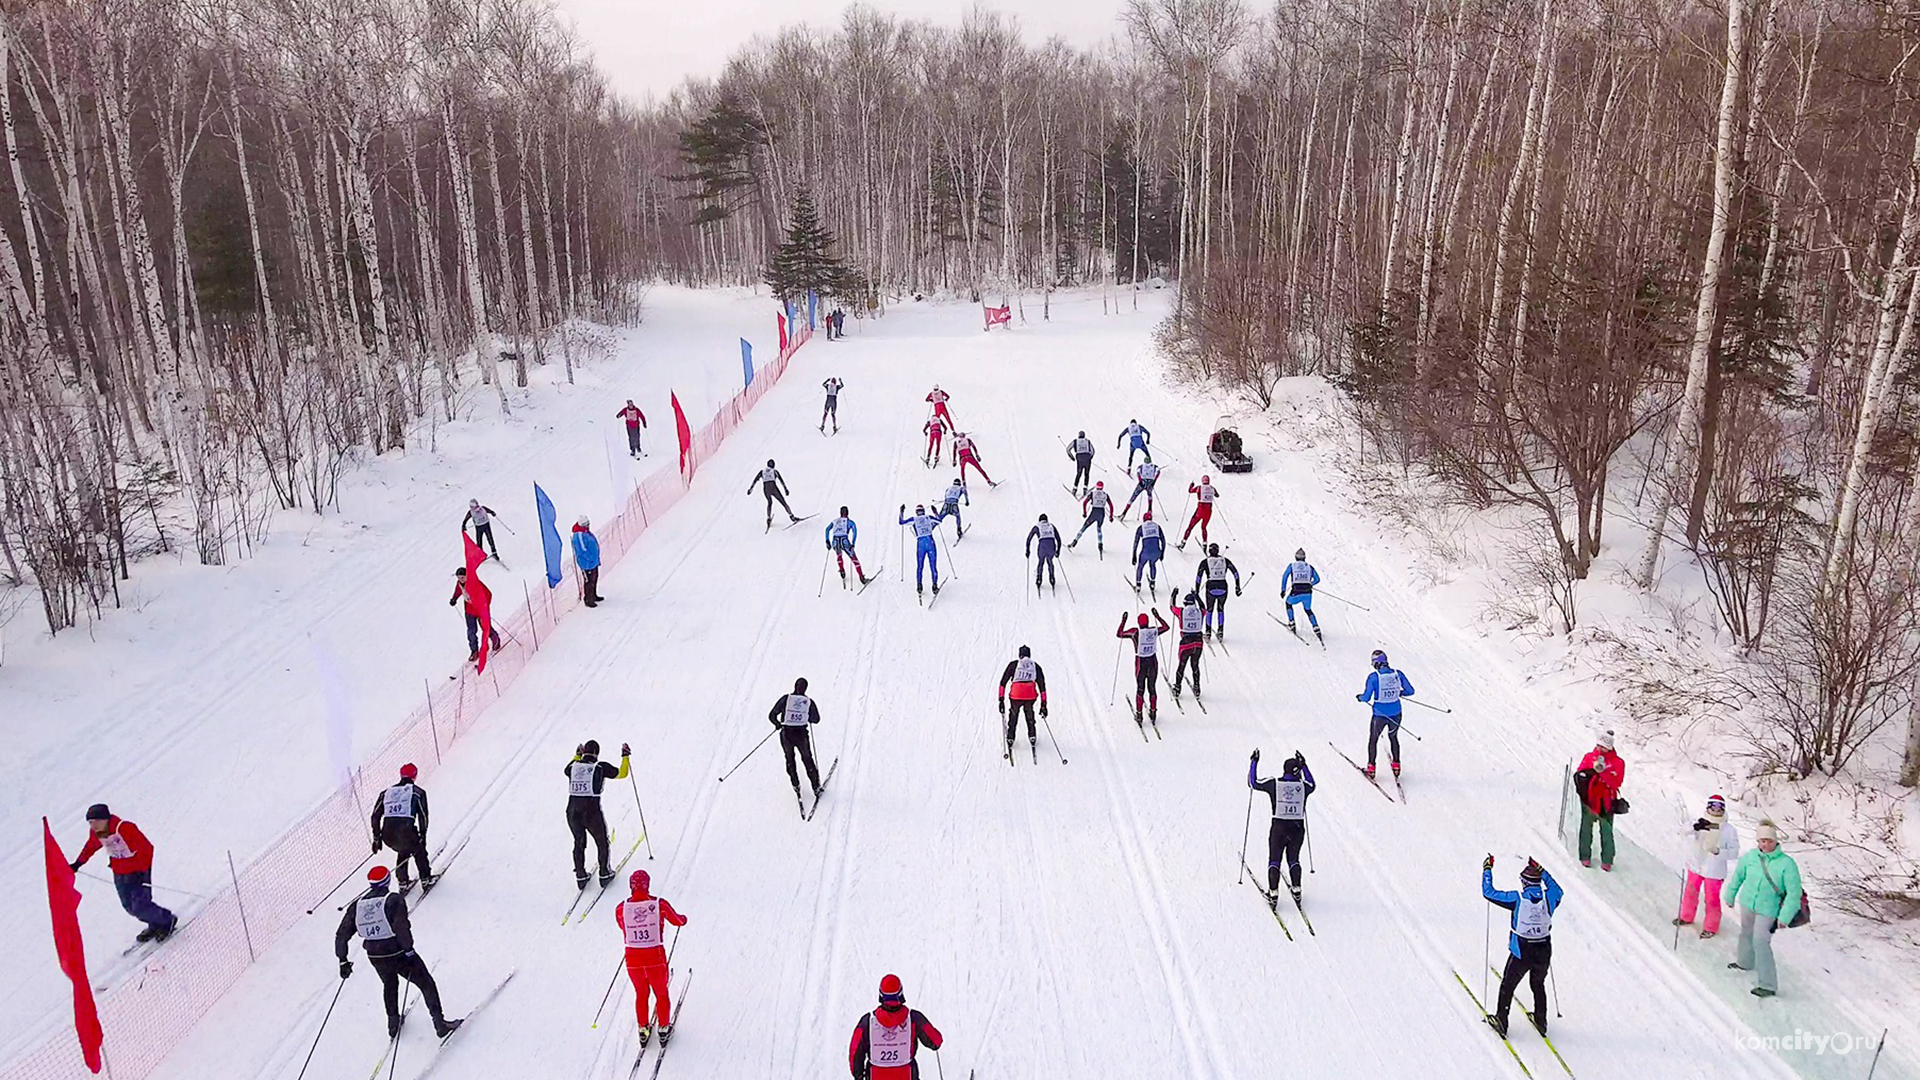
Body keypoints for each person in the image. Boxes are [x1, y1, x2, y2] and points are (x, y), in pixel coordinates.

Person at [335, 865, 461, 1039]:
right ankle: (440, 1023)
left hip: (375, 955)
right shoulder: (393, 899)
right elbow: (401, 927)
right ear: (387, 880)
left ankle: (393, 1023)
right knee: (426, 983)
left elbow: (342, 935)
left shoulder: (357, 905)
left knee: (389, 984)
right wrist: (408, 949)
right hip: (397, 952)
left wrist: (343, 960)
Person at [1481, 855, 1562, 1038]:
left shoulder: (1517, 899)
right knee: (1538, 984)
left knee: (1508, 986)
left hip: (1522, 951)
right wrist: (1542, 871)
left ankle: (1502, 1021)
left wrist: (1487, 870)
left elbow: (1489, 893)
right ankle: (1541, 1021)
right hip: (1544, 950)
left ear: (1524, 883)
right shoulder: (1549, 898)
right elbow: (1558, 890)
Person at [70, 804, 176, 942]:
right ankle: (155, 923)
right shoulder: (97, 833)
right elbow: (91, 846)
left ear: (105, 819)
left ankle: (167, 920)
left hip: (138, 872)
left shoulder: (124, 828)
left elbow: (147, 848)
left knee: (140, 905)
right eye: (90, 823)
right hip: (120, 872)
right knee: (129, 907)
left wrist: (141, 869)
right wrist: (78, 863)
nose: (93, 826)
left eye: (96, 821)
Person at [1724, 819, 1801, 998]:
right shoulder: (1750, 857)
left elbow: (1793, 893)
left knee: (1761, 941)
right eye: (1762, 841)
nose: (1765, 845)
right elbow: (1738, 877)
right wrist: (1730, 894)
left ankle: (1768, 984)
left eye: (1769, 841)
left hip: (1769, 910)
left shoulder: (1787, 864)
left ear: (1776, 841)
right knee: (1746, 933)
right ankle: (1744, 962)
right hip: (1748, 903)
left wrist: (1785, 917)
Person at [615, 869, 688, 1045]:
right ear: (647, 885)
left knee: (641, 993)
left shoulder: (621, 908)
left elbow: (621, 926)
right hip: (655, 957)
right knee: (661, 992)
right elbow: (677, 920)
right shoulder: (658, 904)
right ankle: (663, 1027)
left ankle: (643, 1028)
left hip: (633, 959)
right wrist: (683, 920)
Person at [1248, 750, 1314, 906]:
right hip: (1297, 828)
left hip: (1279, 828)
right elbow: (1313, 783)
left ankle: (1273, 893)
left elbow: (1253, 783)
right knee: (1293, 859)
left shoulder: (1274, 784)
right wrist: (1304, 765)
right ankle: (1297, 890)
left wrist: (1254, 762)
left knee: (1275, 859)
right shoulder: (1303, 786)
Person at [564, 740, 631, 889]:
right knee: (602, 842)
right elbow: (622, 773)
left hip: (572, 811)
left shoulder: (572, 767)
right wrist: (625, 756)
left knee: (578, 842)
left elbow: (566, 770)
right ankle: (604, 873)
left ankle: (580, 876)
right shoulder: (600, 767)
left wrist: (576, 756)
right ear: (596, 753)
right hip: (591, 812)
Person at [849, 974, 943, 1080]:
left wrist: (859, 1075)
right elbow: (936, 1041)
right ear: (901, 994)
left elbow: (855, 1053)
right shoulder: (913, 1018)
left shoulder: (867, 1021)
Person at [1675, 794, 1737, 939]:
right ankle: (1686, 916)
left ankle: (1711, 926)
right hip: (1696, 864)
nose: (1716, 810)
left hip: (1715, 871)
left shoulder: (1728, 830)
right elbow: (1683, 832)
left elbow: (1734, 852)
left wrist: (1718, 852)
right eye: (1713, 806)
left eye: (1719, 807)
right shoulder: (1700, 821)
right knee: (1690, 892)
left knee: (1712, 899)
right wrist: (1694, 827)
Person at [371, 764, 434, 892]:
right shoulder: (417, 792)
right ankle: (426, 878)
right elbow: (423, 815)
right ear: (415, 776)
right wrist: (423, 834)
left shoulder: (386, 793)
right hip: (406, 831)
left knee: (403, 849)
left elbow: (375, 816)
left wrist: (377, 838)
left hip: (388, 835)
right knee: (418, 850)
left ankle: (403, 881)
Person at [1355, 649, 1414, 779]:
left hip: (1379, 715)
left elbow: (1366, 697)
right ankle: (1396, 765)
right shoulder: (1397, 674)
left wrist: (1360, 697)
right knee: (1393, 737)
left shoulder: (1373, 677)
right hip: (1396, 713)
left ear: (1376, 663)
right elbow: (1410, 691)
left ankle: (1371, 768)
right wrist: (1399, 693)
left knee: (1373, 739)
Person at [1574, 730, 1625, 870]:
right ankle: (1584, 856)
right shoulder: (1589, 757)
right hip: (1589, 798)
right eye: (1598, 745)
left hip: (1607, 800)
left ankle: (1607, 859)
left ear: (1609, 747)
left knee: (1606, 830)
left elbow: (1617, 782)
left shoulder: (1618, 762)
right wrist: (1591, 774)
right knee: (1586, 828)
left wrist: (1604, 774)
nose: (1599, 749)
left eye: (1603, 746)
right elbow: (1580, 774)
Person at [767, 678, 824, 799]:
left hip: (786, 734)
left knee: (789, 759)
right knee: (807, 759)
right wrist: (807, 716)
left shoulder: (786, 699)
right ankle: (816, 787)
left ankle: (795, 784)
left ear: (794, 686)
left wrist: (777, 724)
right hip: (801, 735)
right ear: (805, 688)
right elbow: (816, 719)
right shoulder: (808, 702)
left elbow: (772, 715)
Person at [1116, 609, 1170, 725]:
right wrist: (1158, 616)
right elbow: (1166, 627)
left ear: (1139, 623)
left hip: (1141, 664)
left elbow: (1119, 634)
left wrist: (1123, 621)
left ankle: (1139, 715)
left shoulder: (1135, 632)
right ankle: (1153, 712)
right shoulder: (1153, 631)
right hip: (1152, 663)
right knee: (1152, 688)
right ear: (1148, 622)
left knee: (1140, 690)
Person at [996, 645, 1048, 760]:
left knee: (1013, 715)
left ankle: (1010, 737)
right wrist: (1044, 704)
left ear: (1019, 655)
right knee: (1029, 713)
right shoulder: (1035, 666)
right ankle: (1032, 735)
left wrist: (1001, 700)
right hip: (1030, 695)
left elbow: (1002, 683)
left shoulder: (1013, 665)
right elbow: (1042, 685)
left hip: (1016, 695)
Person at [449, 567, 502, 662]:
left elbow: (488, 594)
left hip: (480, 609)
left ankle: (495, 639)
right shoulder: (460, 584)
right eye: (459, 577)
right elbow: (458, 591)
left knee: (485, 627)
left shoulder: (475, 583)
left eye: (463, 577)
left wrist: (485, 605)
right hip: (469, 611)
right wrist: (454, 599)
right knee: (471, 631)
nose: (461, 579)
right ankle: (474, 651)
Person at [1194, 543, 1242, 639]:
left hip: (1211, 589)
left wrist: (1197, 591)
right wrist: (1237, 587)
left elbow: (1199, 577)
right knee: (1220, 609)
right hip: (1223, 588)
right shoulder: (1225, 560)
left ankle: (1208, 632)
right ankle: (1220, 631)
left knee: (1209, 610)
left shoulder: (1205, 561)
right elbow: (1235, 573)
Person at [1169, 589, 1206, 699]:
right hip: (1198, 643)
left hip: (1186, 643)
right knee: (1195, 665)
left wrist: (1173, 595)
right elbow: (1204, 606)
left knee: (1182, 665)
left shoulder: (1181, 611)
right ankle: (1197, 687)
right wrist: (1197, 596)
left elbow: (1171, 607)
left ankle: (1177, 688)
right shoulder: (1200, 612)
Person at [899, 504, 941, 597]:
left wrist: (901, 511)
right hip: (930, 543)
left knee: (920, 566)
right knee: (933, 566)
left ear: (916, 512)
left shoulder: (914, 519)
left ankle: (919, 586)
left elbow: (901, 522)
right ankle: (934, 585)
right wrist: (935, 511)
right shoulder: (928, 517)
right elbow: (939, 520)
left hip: (920, 544)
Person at [1280, 548, 1322, 641]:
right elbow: (1317, 579)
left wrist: (1283, 590)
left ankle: (1292, 623)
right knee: (1308, 610)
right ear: (1304, 558)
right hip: (1307, 593)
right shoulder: (1309, 567)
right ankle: (1316, 627)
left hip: (1296, 592)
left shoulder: (1292, 566)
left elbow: (1285, 576)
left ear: (1296, 557)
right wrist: (1310, 584)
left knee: (1288, 603)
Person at [749, 459, 800, 529]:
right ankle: (792, 516)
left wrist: (750, 489)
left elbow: (755, 480)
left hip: (766, 489)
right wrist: (786, 489)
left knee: (769, 503)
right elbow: (781, 480)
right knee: (783, 502)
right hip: (773, 488)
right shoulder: (774, 471)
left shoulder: (762, 472)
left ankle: (768, 518)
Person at [825, 508, 869, 586]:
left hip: (835, 541)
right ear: (848, 513)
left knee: (839, 555)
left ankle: (842, 570)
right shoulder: (850, 522)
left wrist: (827, 540)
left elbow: (827, 529)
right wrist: (853, 543)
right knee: (854, 558)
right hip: (844, 540)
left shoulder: (835, 521)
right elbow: (854, 531)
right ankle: (861, 577)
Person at [1070, 481, 1111, 553]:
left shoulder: (1092, 494)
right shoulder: (1105, 495)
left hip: (1094, 512)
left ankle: (1075, 541)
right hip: (1101, 513)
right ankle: (1100, 544)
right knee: (1099, 529)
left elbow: (1085, 503)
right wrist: (1110, 516)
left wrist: (1084, 513)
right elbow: (1111, 506)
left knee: (1084, 527)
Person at [1025, 514, 1060, 592]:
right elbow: (1058, 539)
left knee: (1041, 563)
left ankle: (1039, 579)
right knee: (1050, 562)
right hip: (1051, 546)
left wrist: (1027, 550)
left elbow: (1029, 539)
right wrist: (1058, 551)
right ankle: (1052, 578)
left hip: (1042, 547)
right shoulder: (1051, 526)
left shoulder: (1037, 526)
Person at [572, 516, 602, 607]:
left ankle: (594, 595)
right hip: (587, 563)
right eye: (586, 525)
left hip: (593, 561)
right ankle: (588, 599)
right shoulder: (579, 535)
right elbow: (582, 550)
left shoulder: (585, 532)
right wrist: (590, 558)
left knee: (594, 578)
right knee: (589, 581)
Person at [1131, 510, 1165, 590]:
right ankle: (1153, 583)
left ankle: (1138, 585)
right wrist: (1162, 553)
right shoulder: (1157, 526)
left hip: (1145, 552)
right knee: (1152, 564)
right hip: (1156, 552)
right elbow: (1163, 541)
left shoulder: (1141, 527)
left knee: (1140, 566)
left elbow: (1136, 542)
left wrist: (1134, 555)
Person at [1180, 476, 1217, 547]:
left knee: (1190, 526)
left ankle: (1183, 542)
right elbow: (1217, 495)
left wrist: (1191, 485)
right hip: (1208, 512)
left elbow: (1190, 491)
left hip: (1200, 511)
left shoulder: (1199, 488)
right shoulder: (1212, 488)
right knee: (1204, 527)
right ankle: (1205, 543)